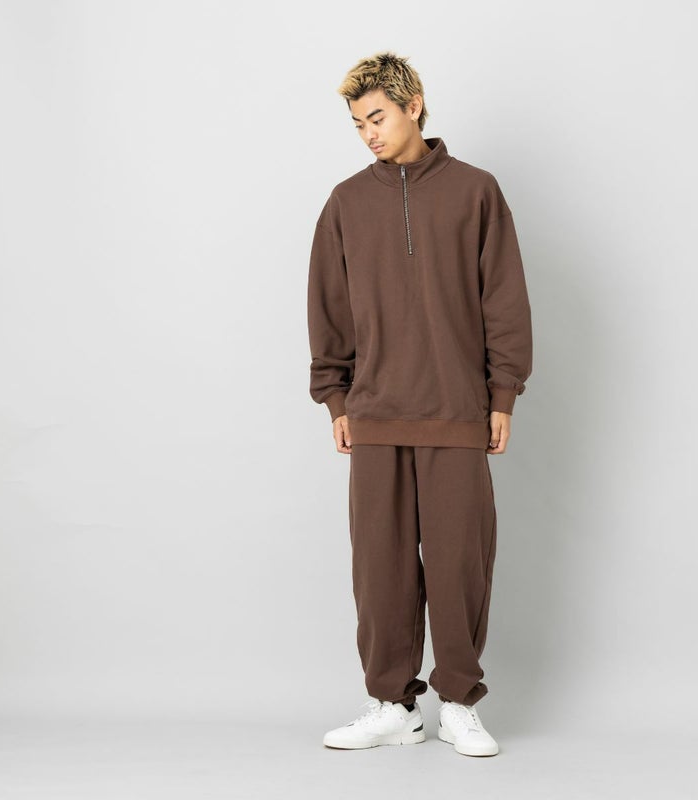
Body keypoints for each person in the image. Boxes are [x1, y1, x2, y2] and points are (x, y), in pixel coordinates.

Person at [306, 51, 533, 758]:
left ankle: (459, 703)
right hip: (374, 412)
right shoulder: (346, 202)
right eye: (357, 124)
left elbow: (503, 298)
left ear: (414, 105)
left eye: (376, 117)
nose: (368, 133)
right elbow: (328, 307)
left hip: (457, 409)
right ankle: (392, 706)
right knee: (380, 569)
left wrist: (502, 392)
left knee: (461, 564)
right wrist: (335, 396)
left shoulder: (476, 192)